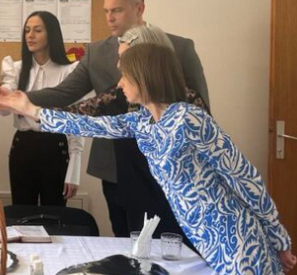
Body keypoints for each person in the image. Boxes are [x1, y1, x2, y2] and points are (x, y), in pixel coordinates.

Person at [0, 43, 296, 275]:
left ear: (144, 77)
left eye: (125, 76)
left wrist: (279, 239)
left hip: (237, 239)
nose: (120, 84)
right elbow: (87, 124)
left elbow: (244, 177)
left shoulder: (189, 118)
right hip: (204, 240)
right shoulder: (143, 121)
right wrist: (26, 106)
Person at [26, 0, 209, 236]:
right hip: (115, 165)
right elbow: (68, 98)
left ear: (139, 8)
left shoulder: (179, 48)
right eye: (106, 11)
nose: (109, 18)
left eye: (117, 10)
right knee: (124, 236)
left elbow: (202, 112)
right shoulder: (98, 54)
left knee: (168, 239)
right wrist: (20, 99)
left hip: (169, 169)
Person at [67, 23, 207, 247]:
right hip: (132, 196)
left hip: (175, 205)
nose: (119, 70)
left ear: (147, 60)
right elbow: (76, 115)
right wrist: (29, 109)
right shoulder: (122, 97)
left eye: (125, 61)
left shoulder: (188, 107)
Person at [0, 11, 83, 206]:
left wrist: (74, 170)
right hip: (23, 146)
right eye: (27, 30)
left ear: (51, 33)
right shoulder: (16, 69)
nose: (30, 35)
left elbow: (75, 122)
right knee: (22, 213)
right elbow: (3, 111)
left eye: (37, 30)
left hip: (56, 146)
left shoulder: (69, 71)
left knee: (54, 214)